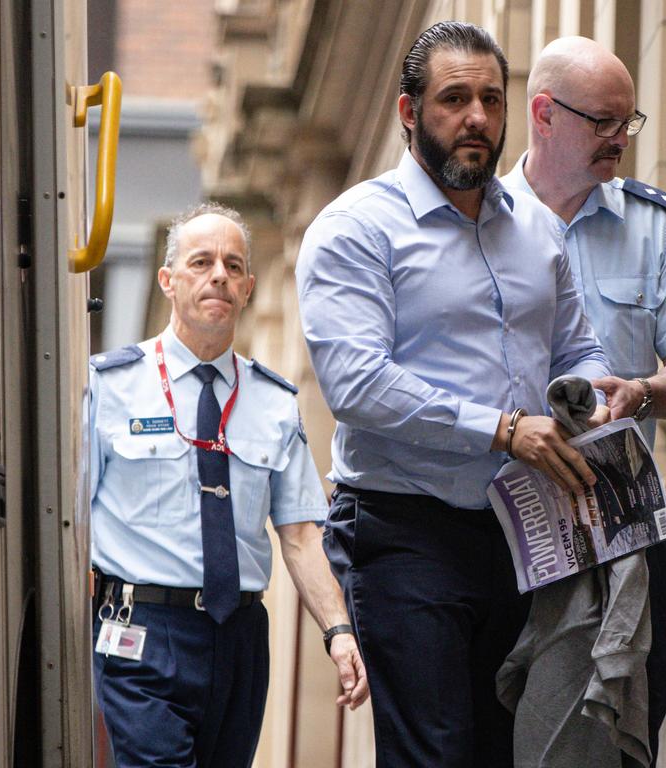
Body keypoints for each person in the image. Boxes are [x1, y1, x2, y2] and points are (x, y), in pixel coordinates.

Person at [295, 21, 612, 768]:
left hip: (523, 536)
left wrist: (599, 395)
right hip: (404, 534)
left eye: (491, 100)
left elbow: (578, 348)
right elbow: (358, 385)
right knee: (432, 754)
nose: (476, 118)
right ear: (410, 113)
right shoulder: (354, 230)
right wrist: (504, 430)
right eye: (455, 99)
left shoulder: (538, 232)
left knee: (499, 752)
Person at [501, 36, 666, 766]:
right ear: (543, 114)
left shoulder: (650, 226)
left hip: (621, 527)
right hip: (500, 531)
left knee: (623, 740)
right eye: (602, 122)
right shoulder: (476, 220)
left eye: (628, 124)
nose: (619, 141)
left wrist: (643, 391)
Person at [89, 203, 368, 768]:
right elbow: (66, 524)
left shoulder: (274, 401)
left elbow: (301, 535)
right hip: (141, 629)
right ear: (169, 281)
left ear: (247, 289)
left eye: (233, 265)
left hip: (240, 636)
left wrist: (338, 631)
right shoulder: (109, 386)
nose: (219, 274)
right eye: (201, 262)